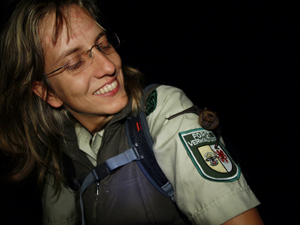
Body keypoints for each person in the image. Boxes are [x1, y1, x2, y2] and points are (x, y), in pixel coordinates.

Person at [0, 0, 264, 224]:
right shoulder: (60, 157)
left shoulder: (161, 110)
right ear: (48, 93)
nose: (108, 65)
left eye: (103, 45)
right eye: (75, 62)